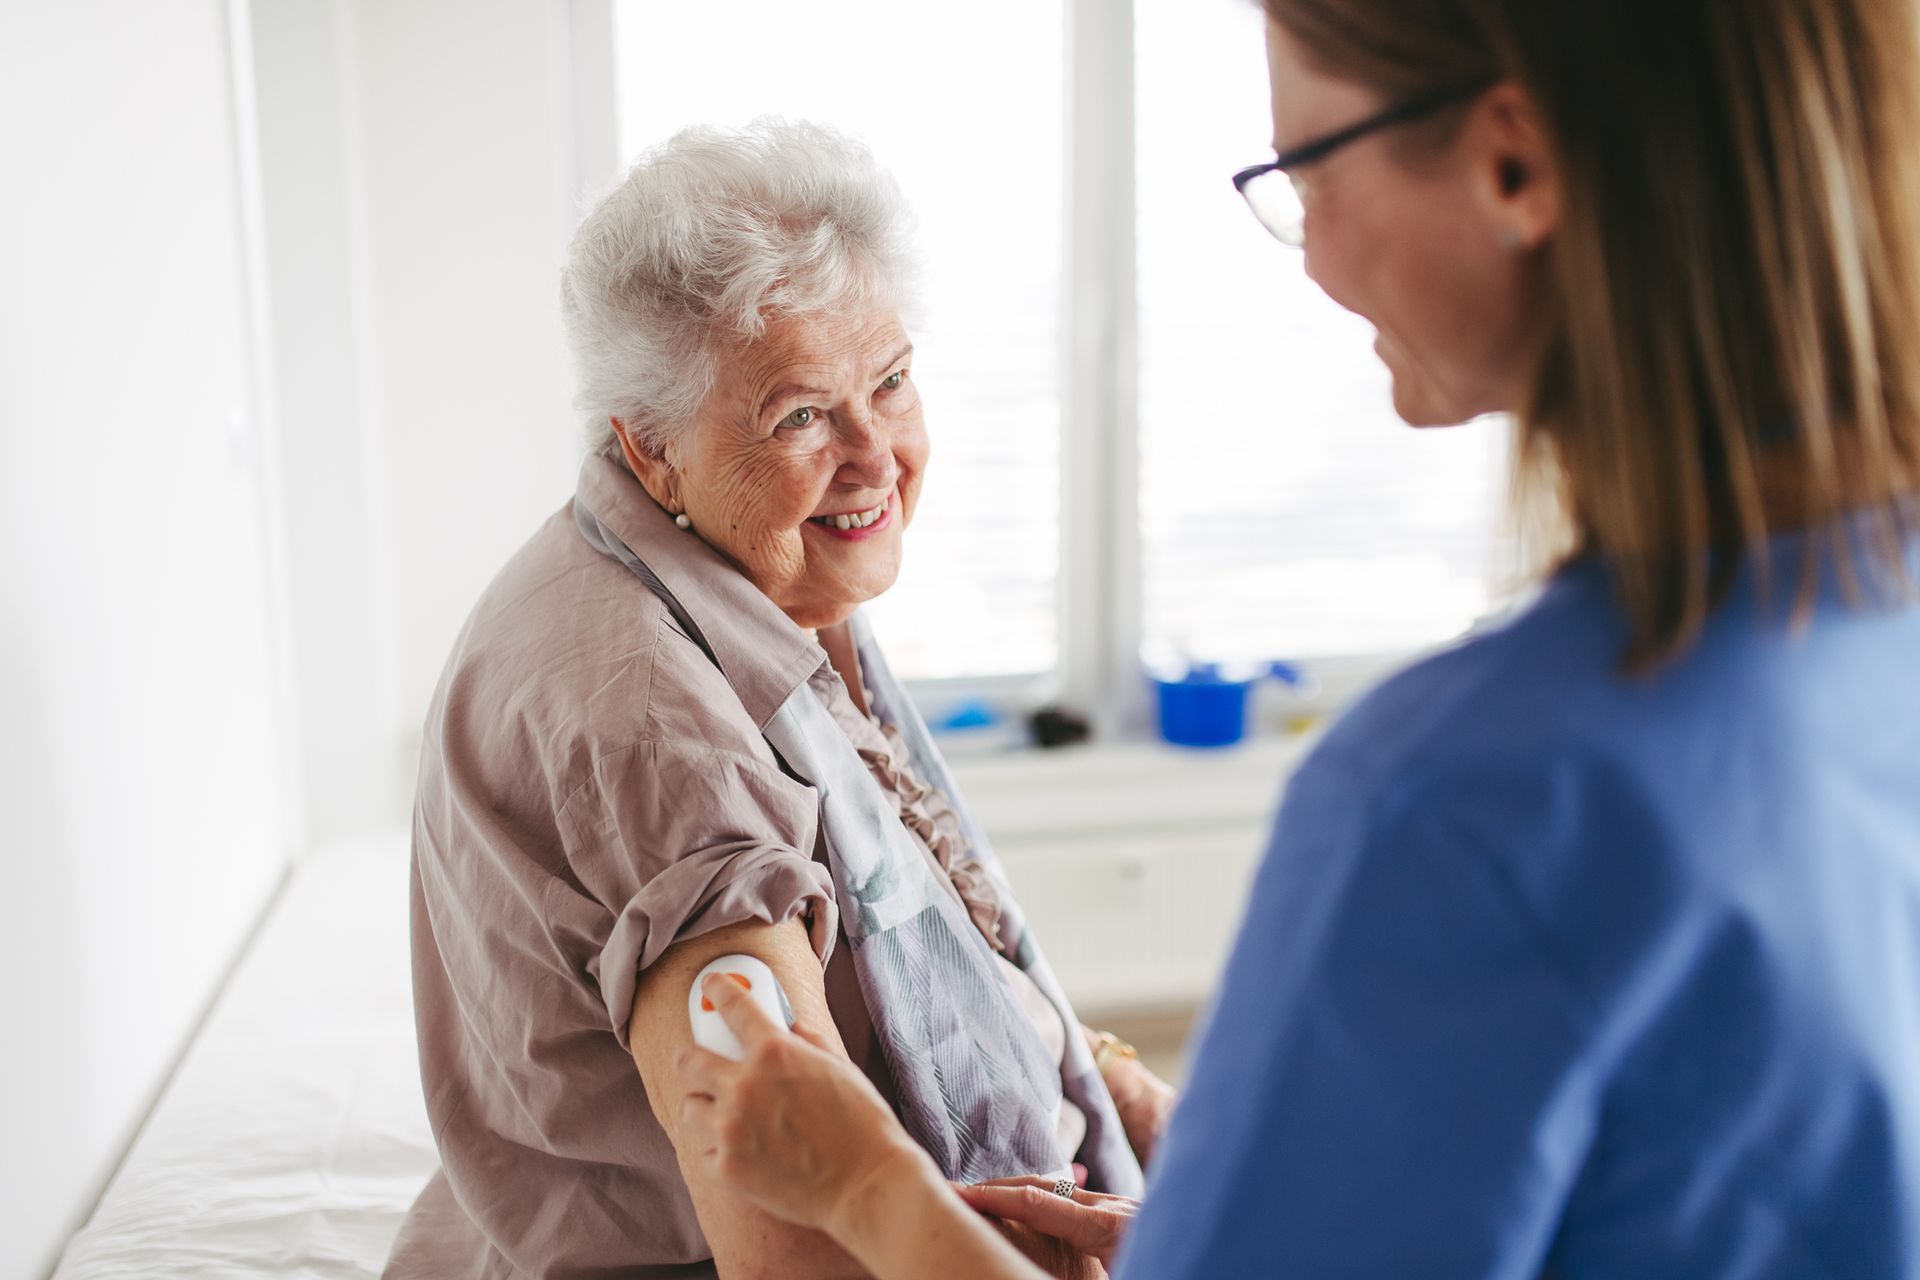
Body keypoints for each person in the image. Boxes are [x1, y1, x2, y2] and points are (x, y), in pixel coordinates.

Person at [672, 2, 1920, 1276]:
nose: (1310, 253)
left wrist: (868, 1183)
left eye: (1308, 167)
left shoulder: (1463, 799)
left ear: (1514, 164)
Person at [385, 119, 1171, 1279]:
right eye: (800, 414)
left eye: (892, 382)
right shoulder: (660, 729)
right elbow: (783, 1240)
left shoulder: (742, 565)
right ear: (649, 447)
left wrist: (1090, 1069)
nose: (876, 456)